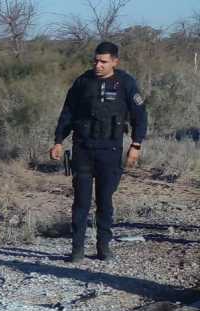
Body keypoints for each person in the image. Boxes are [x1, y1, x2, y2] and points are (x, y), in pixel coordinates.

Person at [50, 41, 148, 263]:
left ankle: (104, 247)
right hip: (83, 148)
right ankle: (77, 250)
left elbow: (140, 116)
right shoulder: (83, 82)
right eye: (96, 60)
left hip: (110, 150)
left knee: (105, 201)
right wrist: (58, 141)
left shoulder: (126, 83)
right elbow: (67, 113)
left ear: (115, 61)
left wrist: (136, 144)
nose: (98, 65)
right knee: (81, 202)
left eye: (103, 61)